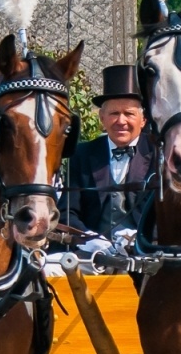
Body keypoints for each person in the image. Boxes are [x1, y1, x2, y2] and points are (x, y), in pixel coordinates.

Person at [63, 65, 156, 252]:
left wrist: (138, 238)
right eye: (114, 113)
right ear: (102, 118)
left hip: (147, 257)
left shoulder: (160, 155)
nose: (121, 121)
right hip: (94, 257)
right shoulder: (81, 154)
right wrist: (88, 240)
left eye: (129, 114)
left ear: (143, 120)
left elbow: (172, 215)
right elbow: (66, 212)